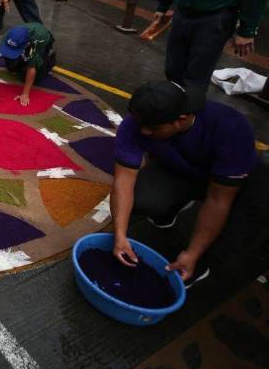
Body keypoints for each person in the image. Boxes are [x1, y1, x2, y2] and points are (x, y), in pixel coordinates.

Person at [110, 80, 269, 287]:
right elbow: (123, 180)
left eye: (153, 128)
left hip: (231, 184)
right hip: (183, 170)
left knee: (231, 243)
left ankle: (199, 263)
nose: (144, 132)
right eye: (141, 124)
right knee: (143, 198)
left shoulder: (230, 128)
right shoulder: (138, 123)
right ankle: (169, 210)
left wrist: (192, 253)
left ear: (181, 120)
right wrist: (120, 235)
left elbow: (218, 200)